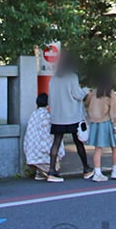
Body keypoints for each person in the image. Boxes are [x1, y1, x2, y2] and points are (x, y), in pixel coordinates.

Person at [47, 53, 93, 183]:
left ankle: (52, 171)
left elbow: (51, 98)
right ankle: (86, 168)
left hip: (57, 116)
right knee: (78, 142)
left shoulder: (53, 79)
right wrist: (85, 90)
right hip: (72, 115)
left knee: (56, 142)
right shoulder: (72, 77)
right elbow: (78, 95)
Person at [85, 68, 116, 182]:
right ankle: (115, 171)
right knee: (115, 146)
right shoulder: (110, 93)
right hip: (107, 122)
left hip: (95, 123)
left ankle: (97, 172)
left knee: (98, 149)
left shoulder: (94, 92)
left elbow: (86, 104)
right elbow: (113, 111)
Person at [24, 93, 64, 180]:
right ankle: (51, 173)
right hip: (42, 151)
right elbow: (47, 134)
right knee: (55, 145)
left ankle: (39, 172)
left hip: (31, 149)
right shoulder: (47, 116)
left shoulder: (33, 114)